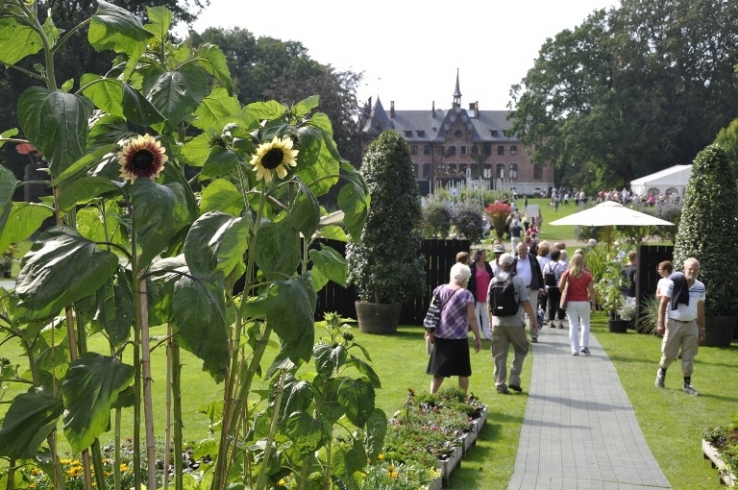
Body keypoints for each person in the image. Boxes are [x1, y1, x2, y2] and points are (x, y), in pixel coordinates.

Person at [425, 263, 482, 393]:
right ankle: (462, 398)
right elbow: (472, 318)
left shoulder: (439, 290)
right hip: (459, 337)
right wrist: (477, 337)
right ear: (464, 279)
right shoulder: (466, 294)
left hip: (441, 335)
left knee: (438, 372)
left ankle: (432, 396)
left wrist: (429, 331)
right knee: (463, 371)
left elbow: (432, 313)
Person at [487, 253, 538, 394]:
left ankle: (500, 384)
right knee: (522, 348)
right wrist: (533, 320)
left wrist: (491, 321)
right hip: (515, 322)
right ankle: (514, 378)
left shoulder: (493, 281)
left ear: (500, 265)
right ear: (513, 265)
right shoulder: (518, 280)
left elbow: (489, 304)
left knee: (499, 354)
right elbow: (525, 302)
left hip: (498, 322)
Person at [655, 258, 706, 396]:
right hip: (673, 323)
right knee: (670, 354)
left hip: (691, 324)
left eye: (695, 269)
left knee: (689, 355)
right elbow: (663, 303)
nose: (692, 271)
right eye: (690, 268)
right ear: (684, 268)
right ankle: (662, 371)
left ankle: (687, 384)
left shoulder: (700, 286)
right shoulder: (674, 282)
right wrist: (660, 323)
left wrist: (702, 328)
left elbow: (700, 308)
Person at [559, 254, 596, 355]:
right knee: (585, 324)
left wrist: (564, 292)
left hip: (571, 302)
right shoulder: (587, 275)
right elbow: (591, 290)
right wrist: (593, 304)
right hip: (584, 302)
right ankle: (584, 345)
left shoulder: (567, 273)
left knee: (573, 325)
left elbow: (560, 286)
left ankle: (574, 349)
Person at [514, 241, 545, 343]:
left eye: (523, 249)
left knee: (533, 313)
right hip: (519, 290)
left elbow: (539, 274)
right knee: (520, 313)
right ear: (517, 250)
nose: (522, 251)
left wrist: (541, 287)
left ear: (527, 250)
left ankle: (534, 335)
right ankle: (522, 336)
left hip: (532, 289)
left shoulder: (532, 259)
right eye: (520, 250)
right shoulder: (514, 261)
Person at [468, 248, 493, 340]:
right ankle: (477, 335)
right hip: (475, 295)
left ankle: (487, 335)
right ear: (479, 255)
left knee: (486, 316)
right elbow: (470, 282)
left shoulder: (487, 265)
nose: (485, 255)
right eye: (484, 253)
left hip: (486, 295)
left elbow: (492, 278)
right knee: (476, 316)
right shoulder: (472, 267)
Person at [543, 250, 566, 328]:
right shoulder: (560, 266)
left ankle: (551, 321)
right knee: (560, 304)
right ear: (558, 257)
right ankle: (560, 322)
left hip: (549, 287)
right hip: (558, 286)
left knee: (551, 304)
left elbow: (544, 276)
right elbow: (563, 276)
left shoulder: (547, 265)